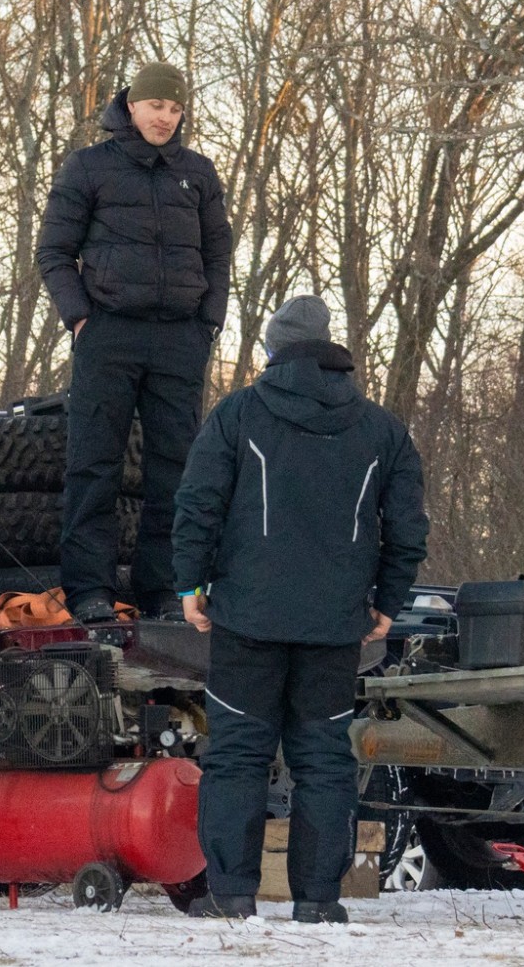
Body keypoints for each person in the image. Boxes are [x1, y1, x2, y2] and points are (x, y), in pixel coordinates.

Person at [172, 295, 429, 923]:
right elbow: (407, 530)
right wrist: (387, 604)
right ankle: (318, 900)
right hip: (334, 627)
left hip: (246, 620)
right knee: (324, 761)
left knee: (238, 755)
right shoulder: (382, 430)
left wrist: (189, 586)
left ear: (274, 350)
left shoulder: (237, 414)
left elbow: (198, 504)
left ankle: (232, 895)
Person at [37, 61, 233, 623]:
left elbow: (218, 253)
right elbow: (53, 251)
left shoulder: (198, 173)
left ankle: (165, 589)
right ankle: (89, 591)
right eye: (155, 106)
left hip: (179, 338)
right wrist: (81, 320)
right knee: (94, 464)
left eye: (174, 108)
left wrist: (208, 323)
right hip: (108, 334)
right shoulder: (89, 166)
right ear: (131, 106)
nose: (165, 117)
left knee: (177, 469)